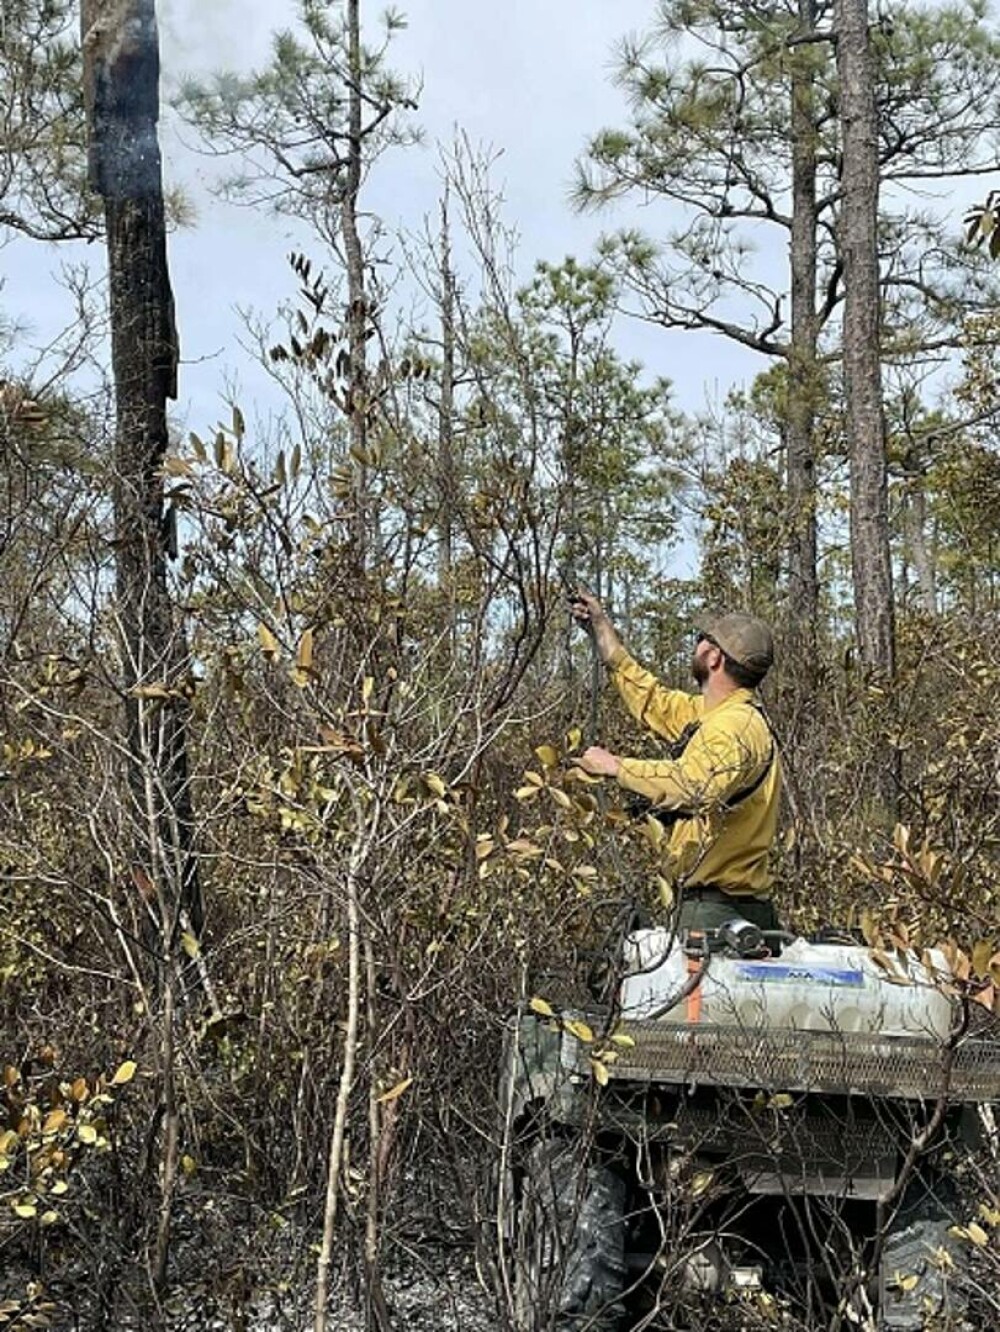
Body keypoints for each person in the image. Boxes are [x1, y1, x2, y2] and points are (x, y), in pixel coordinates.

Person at [570, 592, 782, 933]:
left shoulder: (733, 727)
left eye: (702, 640)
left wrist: (617, 767)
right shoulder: (718, 715)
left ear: (713, 657)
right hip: (721, 907)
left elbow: (695, 784)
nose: (695, 646)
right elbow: (655, 702)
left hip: (718, 912)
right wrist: (600, 628)